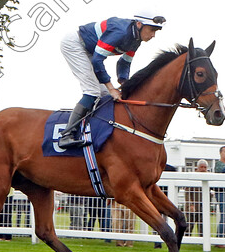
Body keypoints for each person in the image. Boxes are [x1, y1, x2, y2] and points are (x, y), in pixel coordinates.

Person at [58, 10, 166, 148]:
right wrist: (111, 88)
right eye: (151, 30)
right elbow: (98, 61)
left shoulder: (136, 39)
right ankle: (66, 136)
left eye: (156, 31)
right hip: (75, 44)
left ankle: (91, 131)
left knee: (105, 95)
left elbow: (124, 63)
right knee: (92, 91)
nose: (153, 35)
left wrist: (124, 84)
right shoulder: (120, 32)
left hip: (90, 50)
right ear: (139, 24)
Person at [184, 160, 208, 236]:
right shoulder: (192, 177)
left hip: (203, 206)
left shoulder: (207, 178)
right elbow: (187, 193)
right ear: (197, 167)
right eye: (201, 167)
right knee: (189, 225)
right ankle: (186, 239)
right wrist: (190, 205)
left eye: (205, 167)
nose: (203, 169)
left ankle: (202, 240)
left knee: (202, 225)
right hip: (193, 206)